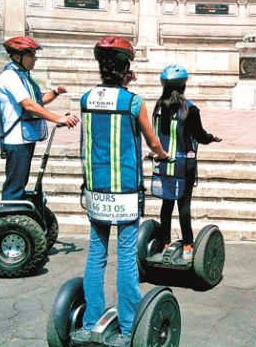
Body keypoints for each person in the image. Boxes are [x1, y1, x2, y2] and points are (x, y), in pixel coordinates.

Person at [71, 36, 169, 347]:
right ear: (125, 67)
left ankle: (90, 323)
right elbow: (152, 142)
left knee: (96, 253)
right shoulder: (133, 102)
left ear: (101, 67)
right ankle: (128, 327)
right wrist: (162, 154)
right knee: (126, 257)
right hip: (125, 190)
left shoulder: (86, 98)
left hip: (96, 188)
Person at [152, 63, 222, 261]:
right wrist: (210, 138)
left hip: (164, 163)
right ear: (183, 86)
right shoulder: (190, 109)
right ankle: (188, 246)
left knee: (167, 204)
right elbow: (199, 135)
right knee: (184, 204)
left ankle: (165, 243)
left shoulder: (158, 107)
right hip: (184, 165)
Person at [0, 36, 79, 201]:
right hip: (16, 138)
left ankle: (16, 218)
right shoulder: (9, 77)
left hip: (24, 137)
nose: (35, 58)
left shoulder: (22, 76)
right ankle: (8, 220)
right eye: (31, 55)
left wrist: (54, 93)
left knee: (20, 183)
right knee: (15, 186)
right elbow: (29, 105)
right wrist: (58, 118)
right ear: (18, 56)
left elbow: (38, 100)